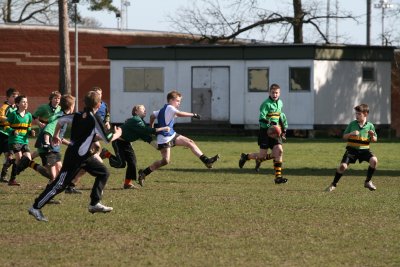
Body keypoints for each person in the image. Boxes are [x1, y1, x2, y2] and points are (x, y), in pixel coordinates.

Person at [28, 91, 122, 222]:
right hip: (75, 157)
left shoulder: (77, 115)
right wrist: (118, 133)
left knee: (103, 172)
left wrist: (55, 135)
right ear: (99, 105)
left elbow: (61, 121)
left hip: (85, 156)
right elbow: (107, 139)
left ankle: (94, 203)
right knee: (59, 184)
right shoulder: (94, 119)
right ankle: (35, 207)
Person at [137, 90, 219, 186]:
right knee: (165, 161)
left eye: (180, 101)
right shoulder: (171, 108)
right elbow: (180, 114)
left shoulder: (163, 109)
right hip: (164, 138)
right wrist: (194, 115)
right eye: (178, 101)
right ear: (171, 100)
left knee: (190, 142)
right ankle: (144, 173)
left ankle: (206, 161)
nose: (179, 103)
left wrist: (151, 127)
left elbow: (152, 115)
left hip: (172, 135)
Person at [101, 104, 169, 189]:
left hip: (127, 143)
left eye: (145, 109)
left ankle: (127, 184)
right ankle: (106, 153)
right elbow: (148, 131)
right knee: (121, 164)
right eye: (142, 109)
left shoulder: (141, 122)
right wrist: (163, 128)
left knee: (132, 162)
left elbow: (146, 137)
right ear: (136, 112)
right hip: (118, 141)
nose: (145, 110)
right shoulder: (136, 120)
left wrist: (159, 147)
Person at [17, 94, 76, 182]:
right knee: (52, 176)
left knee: (58, 172)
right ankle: (29, 163)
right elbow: (48, 130)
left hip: (54, 149)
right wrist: (47, 143)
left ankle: (53, 186)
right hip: (46, 149)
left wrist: (72, 145)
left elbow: (59, 137)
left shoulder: (64, 117)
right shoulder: (59, 117)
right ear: (71, 107)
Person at [238, 83, 288, 184]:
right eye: (273, 93)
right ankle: (246, 157)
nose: (275, 95)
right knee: (261, 155)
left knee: (279, 151)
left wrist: (283, 130)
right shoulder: (266, 104)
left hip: (275, 132)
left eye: (277, 93)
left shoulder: (280, 103)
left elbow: (280, 117)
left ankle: (278, 177)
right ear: (269, 92)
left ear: (279, 93)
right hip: (265, 132)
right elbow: (261, 118)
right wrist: (271, 123)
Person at [326, 104, 378, 192]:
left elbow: (375, 140)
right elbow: (344, 137)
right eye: (356, 114)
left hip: (364, 150)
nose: (356, 116)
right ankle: (333, 184)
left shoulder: (370, 125)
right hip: (352, 150)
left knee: (374, 160)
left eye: (359, 114)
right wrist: (351, 134)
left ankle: (368, 182)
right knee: (343, 166)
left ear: (365, 114)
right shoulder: (352, 124)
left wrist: (372, 136)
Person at [5, 95, 35, 186]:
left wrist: (31, 132)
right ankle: (12, 180)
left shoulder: (29, 115)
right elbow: (6, 126)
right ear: (17, 104)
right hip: (14, 140)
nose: (26, 103)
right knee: (19, 159)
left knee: (28, 159)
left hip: (24, 141)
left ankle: (10, 162)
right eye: (23, 102)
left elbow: (28, 127)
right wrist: (12, 131)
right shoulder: (13, 114)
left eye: (26, 102)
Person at [0, 88, 19, 183]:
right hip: (1, 134)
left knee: (10, 155)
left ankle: (3, 175)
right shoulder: (5, 107)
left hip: (9, 135)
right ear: (7, 97)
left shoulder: (16, 107)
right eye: (13, 97)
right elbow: (0, 117)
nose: (15, 98)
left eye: (16, 97)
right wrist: (9, 119)